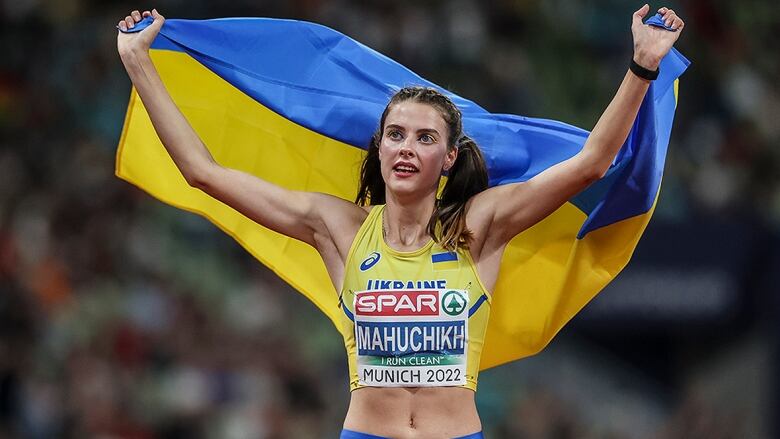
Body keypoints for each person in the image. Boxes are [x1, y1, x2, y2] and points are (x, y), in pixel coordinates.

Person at [116, 5, 684, 438]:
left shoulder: (479, 226)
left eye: (425, 137)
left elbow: (592, 163)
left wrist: (642, 66)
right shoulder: (335, 226)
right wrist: (139, 61)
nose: (407, 147)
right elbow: (202, 173)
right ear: (379, 148)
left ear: (449, 157)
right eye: (395, 134)